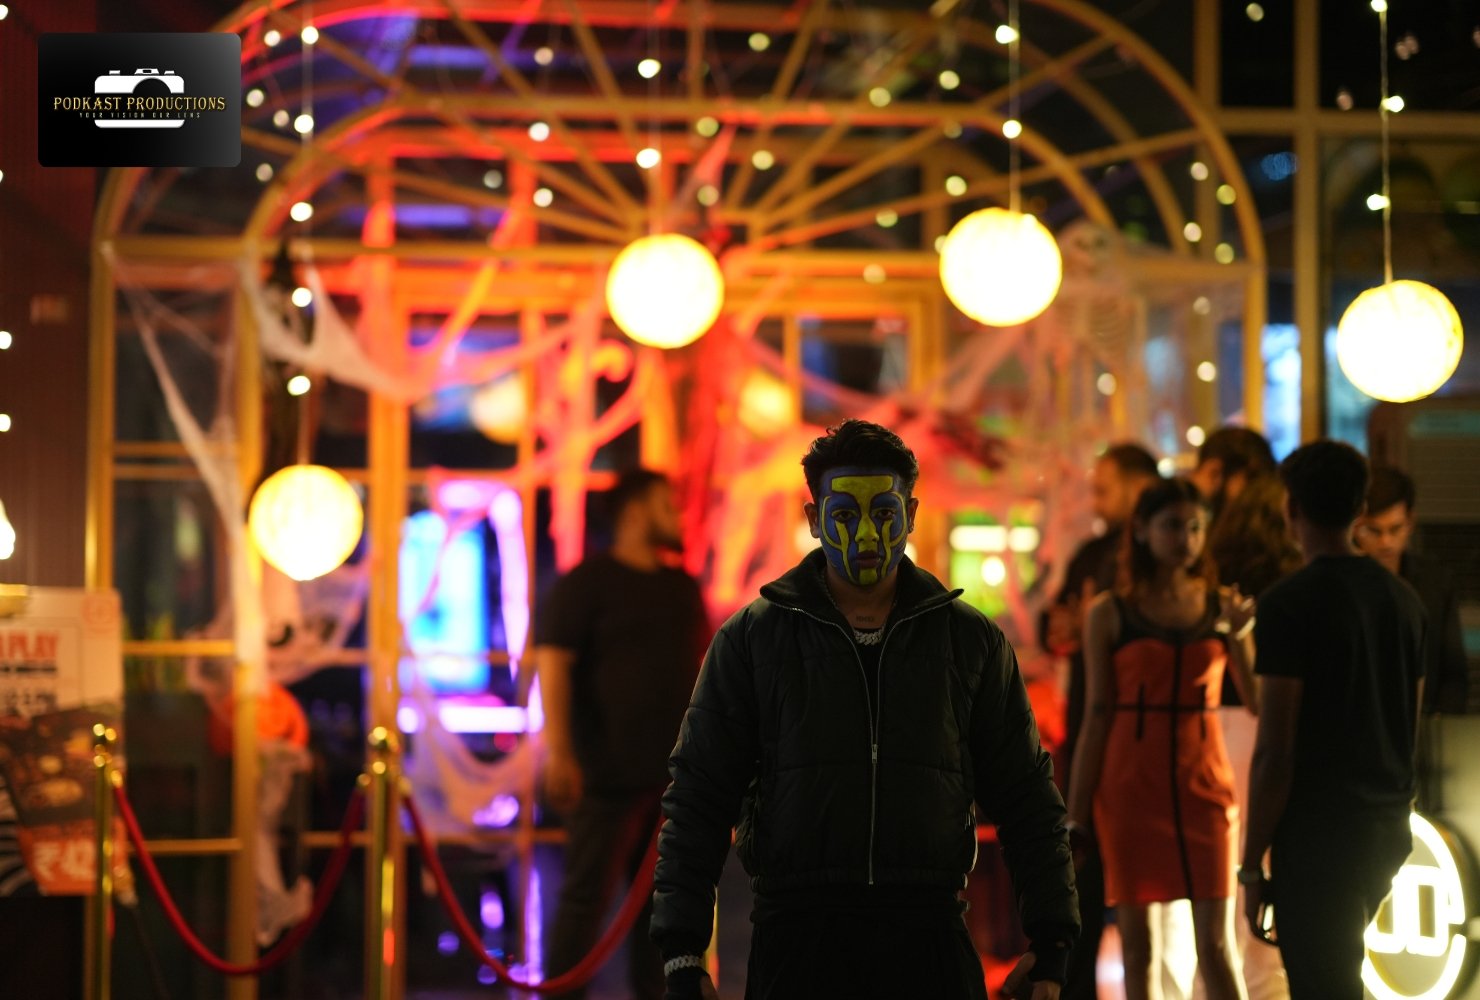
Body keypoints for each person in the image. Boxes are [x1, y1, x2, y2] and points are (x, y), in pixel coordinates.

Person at [651, 419, 1078, 1000]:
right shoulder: (752, 642)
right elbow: (699, 798)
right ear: (813, 520)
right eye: (845, 516)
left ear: (912, 513)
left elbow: (1027, 796)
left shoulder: (970, 643)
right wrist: (681, 951)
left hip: (929, 937)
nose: (867, 535)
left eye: (884, 512)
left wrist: (1053, 941)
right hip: (798, 942)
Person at [1240, 441, 1425, 1000]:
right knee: (1340, 975)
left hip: (1318, 829)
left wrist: (1251, 863)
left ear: (1291, 508)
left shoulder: (1287, 605)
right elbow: (1408, 724)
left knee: (1322, 982)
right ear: (1360, 509)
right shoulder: (1404, 601)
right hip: (1386, 823)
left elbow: (1276, 748)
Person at [1067, 478, 1255, 1000]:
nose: (1185, 539)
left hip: (1204, 784)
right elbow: (1096, 716)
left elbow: (1257, 700)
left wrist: (1241, 636)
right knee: (1138, 948)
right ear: (1143, 531)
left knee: (1217, 946)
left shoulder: (1221, 606)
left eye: (1195, 527)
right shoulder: (1110, 612)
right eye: (1173, 526)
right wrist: (1076, 815)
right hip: (1130, 788)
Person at [532, 469, 710, 1000]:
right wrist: (560, 753)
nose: (676, 516)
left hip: (673, 780)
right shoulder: (587, 583)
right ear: (634, 513)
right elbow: (554, 666)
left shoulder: (680, 587)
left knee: (664, 910)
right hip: (604, 773)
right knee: (584, 901)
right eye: (665, 505)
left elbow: (706, 675)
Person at [1042, 443, 1159, 1000]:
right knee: (1081, 872)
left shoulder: (1154, 561)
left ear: (1140, 487)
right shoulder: (1092, 555)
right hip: (1089, 726)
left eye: (1104, 489)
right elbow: (1055, 625)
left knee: (1139, 890)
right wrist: (1065, 627)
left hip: (1141, 738)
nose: (1095, 501)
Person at [1191, 426, 1298, 1000]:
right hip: (1278, 717)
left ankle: (1221, 982)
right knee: (1264, 859)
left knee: (1220, 870)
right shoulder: (1290, 556)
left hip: (1217, 718)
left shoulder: (1216, 552)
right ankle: (1265, 981)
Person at [1355, 465, 1468, 715]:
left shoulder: (1435, 582)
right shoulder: (1344, 586)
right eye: (1374, 530)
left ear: (1410, 523)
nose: (1386, 542)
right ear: (1356, 527)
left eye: (1395, 529)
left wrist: (1439, 722)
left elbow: (1454, 673)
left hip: (1423, 721)